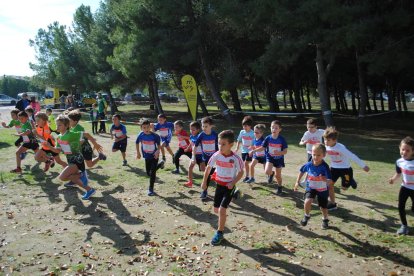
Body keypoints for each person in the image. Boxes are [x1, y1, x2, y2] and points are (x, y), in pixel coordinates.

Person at [202, 130, 244, 245]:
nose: (220, 146)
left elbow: (241, 173)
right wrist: (204, 182)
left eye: (223, 144)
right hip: (219, 185)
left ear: (231, 144)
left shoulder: (236, 158)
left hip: (229, 186)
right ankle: (236, 193)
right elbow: (208, 168)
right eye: (219, 143)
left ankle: (219, 233)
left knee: (221, 210)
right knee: (216, 210)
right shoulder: (216, 155)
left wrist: (233, 182)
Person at [46, 115, 100, 200]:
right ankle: (89, 189)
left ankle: (81, 175)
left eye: (60, 125)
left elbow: (87, 134)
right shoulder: (59, 137)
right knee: (73, 178)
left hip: (77, 160)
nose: (57, 127)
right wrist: (49, 147)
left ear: (66, 126)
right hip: (70, 160)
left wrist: (96, 145)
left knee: (62, 177)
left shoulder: (71, 134)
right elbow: (57, 150)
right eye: (57, 125)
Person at [323, 127, 370, 210]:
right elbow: (322, 154)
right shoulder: (326, 147)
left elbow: (352, 156)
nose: (326, 142)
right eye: (325, 140)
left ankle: (350, 180)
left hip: (345, 170)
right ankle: (332, 204)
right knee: (329, 185)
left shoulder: (341, 148)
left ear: (334, 140)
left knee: (344, 188)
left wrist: (363, 165)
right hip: (333, 169)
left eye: (328, 140)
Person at [294, 143, 331, 229]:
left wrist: (324, 179)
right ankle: (307, 216)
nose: (315, 157)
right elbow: (302, 171)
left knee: (323, 207)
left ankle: (325, 219)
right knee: (307, 201)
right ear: (311, 153)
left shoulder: (325, 167)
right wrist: (297, 182)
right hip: (311, 187)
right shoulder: (309, 164)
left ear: (324, 155)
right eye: (314, 154)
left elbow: (329, 181)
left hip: (322, 190)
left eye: (318, 155)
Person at [250, 120, 288, 195]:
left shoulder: (282, 139)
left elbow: (285, 151)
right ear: (270, 128)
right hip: (270, 157)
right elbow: (262, 148)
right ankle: (271, 174)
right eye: (272, 127)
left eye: (276, 128)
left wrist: (279, 153)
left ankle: (279, 187)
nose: (274, 129)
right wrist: (253, 151)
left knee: (278, 176)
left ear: (280, 129)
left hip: (279, 159)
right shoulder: (268, 138)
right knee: (267, 171)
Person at [389, 136, 414, 235]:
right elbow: (399, 173)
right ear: (399, 148)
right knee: (400, 206)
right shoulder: (399, 162)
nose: (404, 152)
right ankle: (404, 226)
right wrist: (393, 179)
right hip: (404, 187)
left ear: (413, 151)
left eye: (408, 150)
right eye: (403, 149)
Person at [136, 119, 164, 196]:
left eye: (148, 127)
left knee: (152, 173)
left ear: (150, 127)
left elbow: (159, 145)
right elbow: (137, 142)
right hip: (146, 156)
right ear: (141, 128)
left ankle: (151, 189)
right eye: (144, 127)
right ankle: (161, 164)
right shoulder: (140, 135)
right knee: (148, 173)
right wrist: (138, 153)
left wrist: (158, 151)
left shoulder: (155, 136)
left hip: (154, 156)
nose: (146, 129)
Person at [194, 117, 218, 200]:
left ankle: (226, 191)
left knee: (217, 175)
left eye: (206, 126)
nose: (204, 128)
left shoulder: (215, 134)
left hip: (215, 158)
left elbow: (219, 146)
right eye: (203, 126)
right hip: (206, 159)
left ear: (211, 126)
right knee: (207, 175)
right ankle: (204, 191)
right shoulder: (201, 135)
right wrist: (193, 157)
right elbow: (195, 146)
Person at [184, 121, 205, 188]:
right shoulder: (191, 136)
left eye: (193, 130)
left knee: (203, 169)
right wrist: (187, 148)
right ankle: (190, 182)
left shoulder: (200, 137)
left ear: (198, 130)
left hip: (201, 156)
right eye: (190, 129)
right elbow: (191, 143)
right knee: (190, 167)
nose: (191, 131)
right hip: (194, 155)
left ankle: (209, 177)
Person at [235, 116, 255, 182]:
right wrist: (237, 148)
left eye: (246, 126)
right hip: (243, 151)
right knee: (245, 164)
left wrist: (252, 147)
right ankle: (247, 176)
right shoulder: (242, 132)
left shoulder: (253, 133)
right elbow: (238, 140)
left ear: (250, 126)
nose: (244, 127)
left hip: (250, 151)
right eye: (243, 126)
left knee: (246, 163)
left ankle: (251, 177)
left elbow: (255, 142)